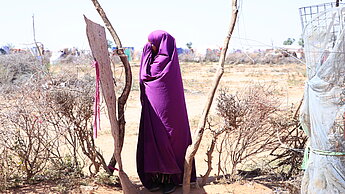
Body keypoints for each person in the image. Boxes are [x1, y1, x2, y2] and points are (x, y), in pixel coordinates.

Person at [137, 30, 196, 194]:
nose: (150, 46)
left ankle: (166, 179)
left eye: (152, 43)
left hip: (160, 108)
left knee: (161, 137)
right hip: (170, 110)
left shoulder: (161, 62)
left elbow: (145, 76)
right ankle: (168, 178)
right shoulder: (171, 60)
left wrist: (146, 53)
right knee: (169, 138)